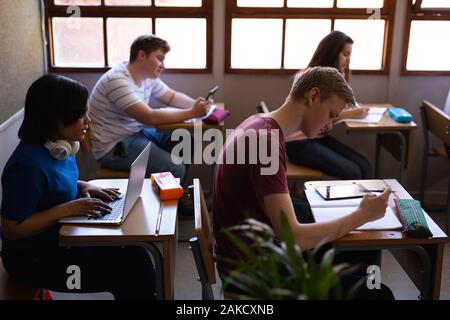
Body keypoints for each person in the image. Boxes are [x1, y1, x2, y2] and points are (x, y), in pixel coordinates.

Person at [213, 67, 394, 299]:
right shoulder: (266, 142)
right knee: (380, 293)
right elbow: (295, 238)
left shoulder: (259, 123)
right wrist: (361, 215)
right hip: (256, 275)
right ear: (314, 96)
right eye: (331, 114)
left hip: (254, 254)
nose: (330, 125)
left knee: (363, 251)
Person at [1, 75, 156, 300]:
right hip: (33, 260)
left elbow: (52, 186)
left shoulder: (59, 147)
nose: (88, 120)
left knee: (136, 254)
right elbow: (11, 228)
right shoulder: (27, 167)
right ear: (55, 118)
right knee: (129, 273)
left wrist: (83, 186)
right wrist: (68, 209)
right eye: (80, 115)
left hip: (63, 239)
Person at [88, 34, 211, 185]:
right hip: (114, 147)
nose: (163, 65)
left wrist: (200, 106)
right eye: (159, 58)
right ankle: (177, 200)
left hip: (135, 134)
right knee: (175, 168)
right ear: (141, 55)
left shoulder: (146, 76)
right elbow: (148, 117)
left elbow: (171, 96)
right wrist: (192, 112)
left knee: (185, 140)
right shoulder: (117, 81)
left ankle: (177, 193)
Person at [285, 31, 372, 180]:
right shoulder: (307, 77)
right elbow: (313, 114)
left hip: (319, 138)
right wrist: (351, 113)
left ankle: (366, 202)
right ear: (332, 53)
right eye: (345, 54)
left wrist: (352, 108)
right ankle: (356, 203)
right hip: (298, 142)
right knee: (353, 172)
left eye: (350, 55)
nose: (348, 60)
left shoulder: (335, 78)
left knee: (365, 166)